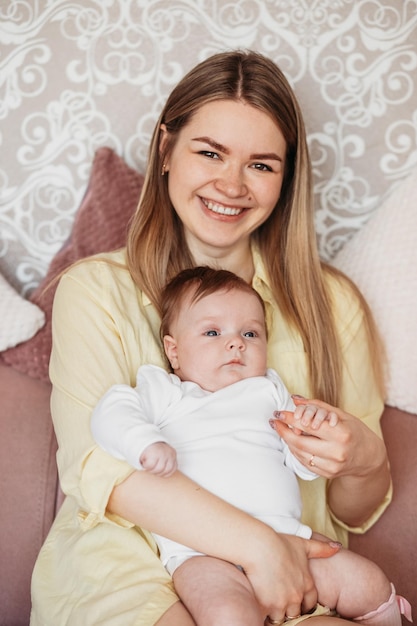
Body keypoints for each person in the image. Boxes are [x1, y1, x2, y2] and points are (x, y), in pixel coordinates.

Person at [30, 50, 393, 626]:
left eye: (261, 165)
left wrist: (364, 459)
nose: (232, 184)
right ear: (165, 150)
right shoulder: (95, 290)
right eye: (209, 152)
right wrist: (256, 546)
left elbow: (357, 507)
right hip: (130, 566)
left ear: (286, 177)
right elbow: (106, 471)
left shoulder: (330, 305)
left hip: (292, 564)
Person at [91, 266, 411, 626]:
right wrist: (144, 443)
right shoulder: (166, 391)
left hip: (289, 541)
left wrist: (314, 439)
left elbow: (302, 462)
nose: (236, 342)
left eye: (250, 333)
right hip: (202, 551)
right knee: (228, 615)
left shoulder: (270, 391)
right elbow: (111, 410)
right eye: (213, 332)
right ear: (174, 350)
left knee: (369, 582)